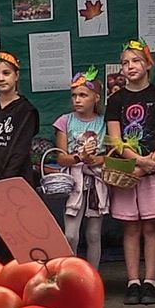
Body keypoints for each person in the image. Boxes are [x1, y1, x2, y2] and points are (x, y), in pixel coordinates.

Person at [106, 39, 155, 305]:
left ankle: (151, 281)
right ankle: (133, 281)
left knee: (151, 226)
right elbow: (115, 139)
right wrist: (137, 162)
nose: (130, 66)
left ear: (148, 64)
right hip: (127, 173)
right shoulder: (116, 100)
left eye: (135, 61)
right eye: (125, 63)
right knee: (131, 228)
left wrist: (150, 163)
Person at [0, 51, 39, 263]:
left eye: (6, 73)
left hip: (17, 182)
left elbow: (20, 149)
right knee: (1, 236)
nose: (1, 78)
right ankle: (7, 286)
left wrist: (6, 185)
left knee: (21, 235)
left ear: (16, 76)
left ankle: (25, 282)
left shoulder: (26, 110)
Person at [53, 67, 108, 267]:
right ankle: (71, 272)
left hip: (96, 182)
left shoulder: (105, 123)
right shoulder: (64, 122)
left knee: (93, 234)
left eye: (83, 95)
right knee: (70, 235)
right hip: (74, 183)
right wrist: (79, 157)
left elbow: (111, 156)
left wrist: (96, 160)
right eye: (74, 95)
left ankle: (92, 277)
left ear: (96, 98)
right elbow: (61, 158)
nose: (77, 100)